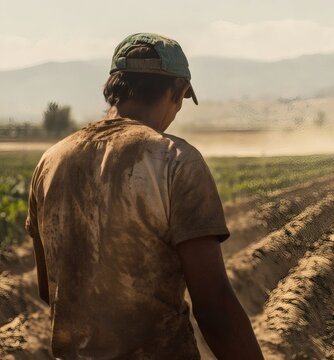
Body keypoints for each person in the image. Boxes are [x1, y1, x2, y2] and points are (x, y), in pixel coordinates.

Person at [25, 33, 264, 359]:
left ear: (113, 88)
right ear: (178, 91)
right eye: (180, 101)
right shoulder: (175, 161)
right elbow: (214, 307)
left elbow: (48, 288)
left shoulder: (50, 161)